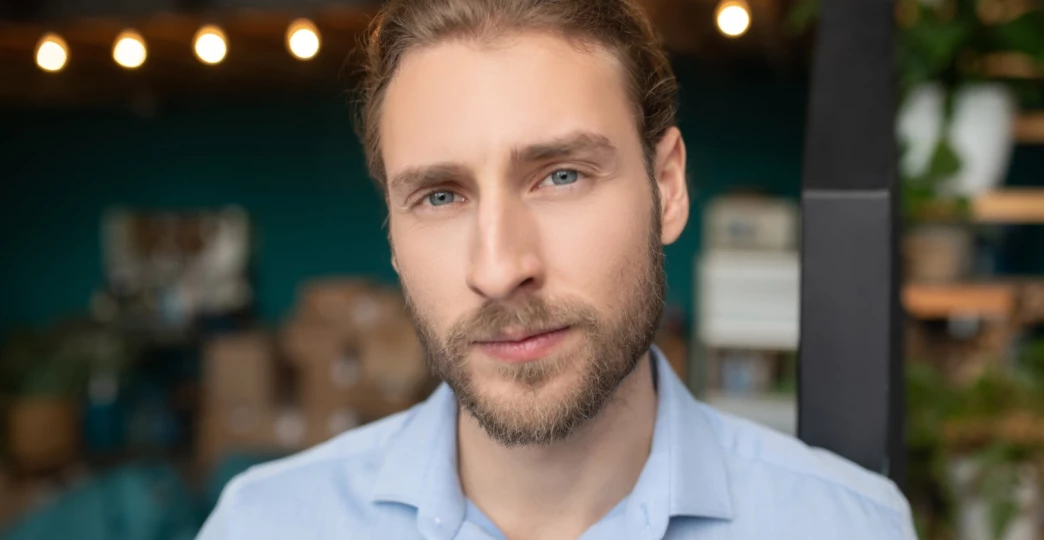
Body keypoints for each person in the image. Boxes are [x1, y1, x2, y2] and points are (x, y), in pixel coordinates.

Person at [197, 0, 917, 538]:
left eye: (561, 175)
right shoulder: (263, 525)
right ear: (391, 229)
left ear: (667, 187)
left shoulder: (848, 526)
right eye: (440, 195)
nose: (501, 268)